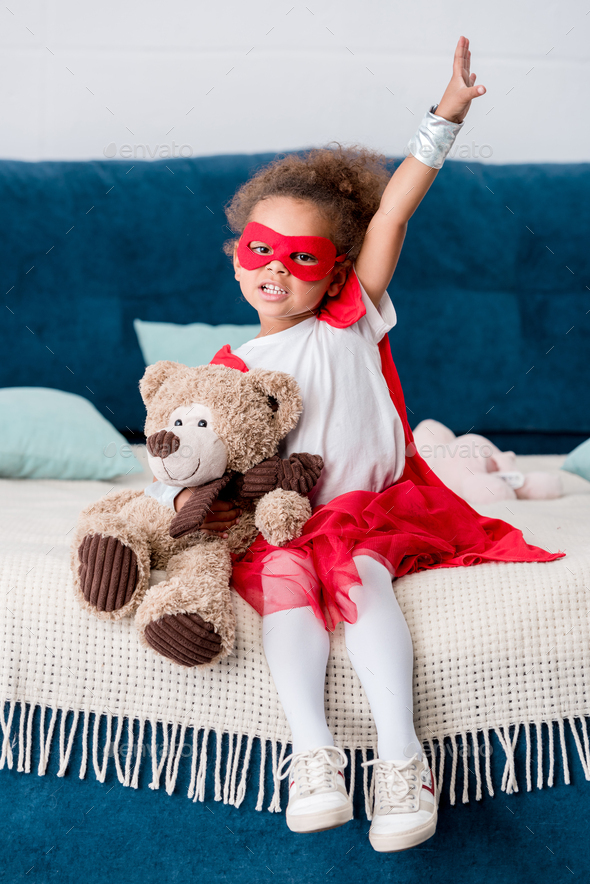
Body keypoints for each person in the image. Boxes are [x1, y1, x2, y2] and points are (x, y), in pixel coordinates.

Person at [171, 36, 562, 852]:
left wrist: (443, 118)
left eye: (302, 257)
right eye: (261, 252)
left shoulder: (348, 316)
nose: (277, 270)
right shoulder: (230, 367)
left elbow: (393, 210)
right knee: (282, 573)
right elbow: (204, 454)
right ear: (236, 258)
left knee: (354, 568)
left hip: (372, 507)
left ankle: (400, 755)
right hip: (291, 516)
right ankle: (311, 751)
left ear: (335, 270)